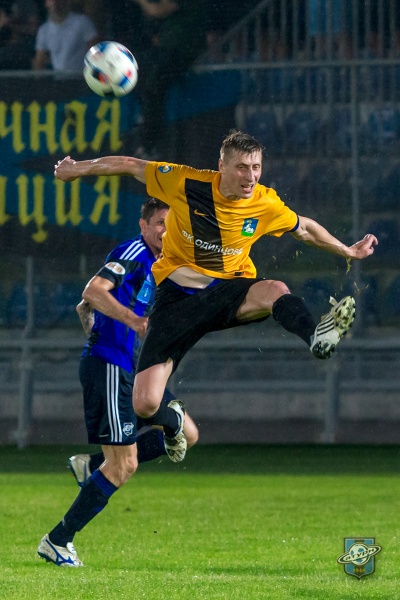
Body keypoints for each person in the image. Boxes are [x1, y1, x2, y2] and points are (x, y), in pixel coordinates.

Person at [53, 129, 378, 466]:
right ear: (221, 166)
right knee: (145, 404)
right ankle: (174, 421)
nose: (250, 176)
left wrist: (346, 250)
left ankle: (316, 336)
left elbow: (304, 228)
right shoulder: (186, 182)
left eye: (256, 167)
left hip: (229, 291)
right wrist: (78, 169)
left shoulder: (264, 202)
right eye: (242, 167)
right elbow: (130, 165)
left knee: (275, 289)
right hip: (177, 300)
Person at [37, 197, 199, 567]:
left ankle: (92, 465)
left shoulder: (163, 264)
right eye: (160, 222)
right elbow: (93, 292)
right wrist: (132, 322)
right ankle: (57, 540)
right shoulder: (134, 250)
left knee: (187, 433)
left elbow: (87, 308)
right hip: (109, 365)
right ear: (144, 226)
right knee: (125, 465)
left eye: (172, 224)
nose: (166, 231)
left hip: (131, 368)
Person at [126, 0, 207, 158]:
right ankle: (144, 123)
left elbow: (160, 9)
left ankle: (150, 144)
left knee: (153, 87)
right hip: (165, 48)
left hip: (182, 49)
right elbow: (152, 13)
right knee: (137, 70)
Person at [32, 0, 99, 71]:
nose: (55, 3)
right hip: (58, 77)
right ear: (46, 3)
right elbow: (39, 62)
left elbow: (97, 53)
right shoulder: (44, 30)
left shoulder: (83, 22)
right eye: (51, 0)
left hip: (80, 76)